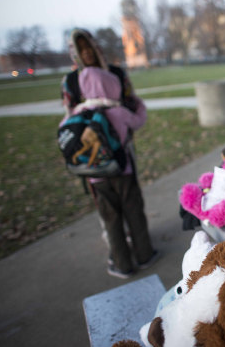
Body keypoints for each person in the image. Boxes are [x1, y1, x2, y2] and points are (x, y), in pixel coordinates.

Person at [60, 28, 158, 278]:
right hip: (121, 163)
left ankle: (122, 263)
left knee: (110, 215)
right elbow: (137, 116)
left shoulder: (77, 107)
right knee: (132, 206)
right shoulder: (118, 107)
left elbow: (67, 129)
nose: (86, 53)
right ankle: (145, 253)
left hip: (94, 170)